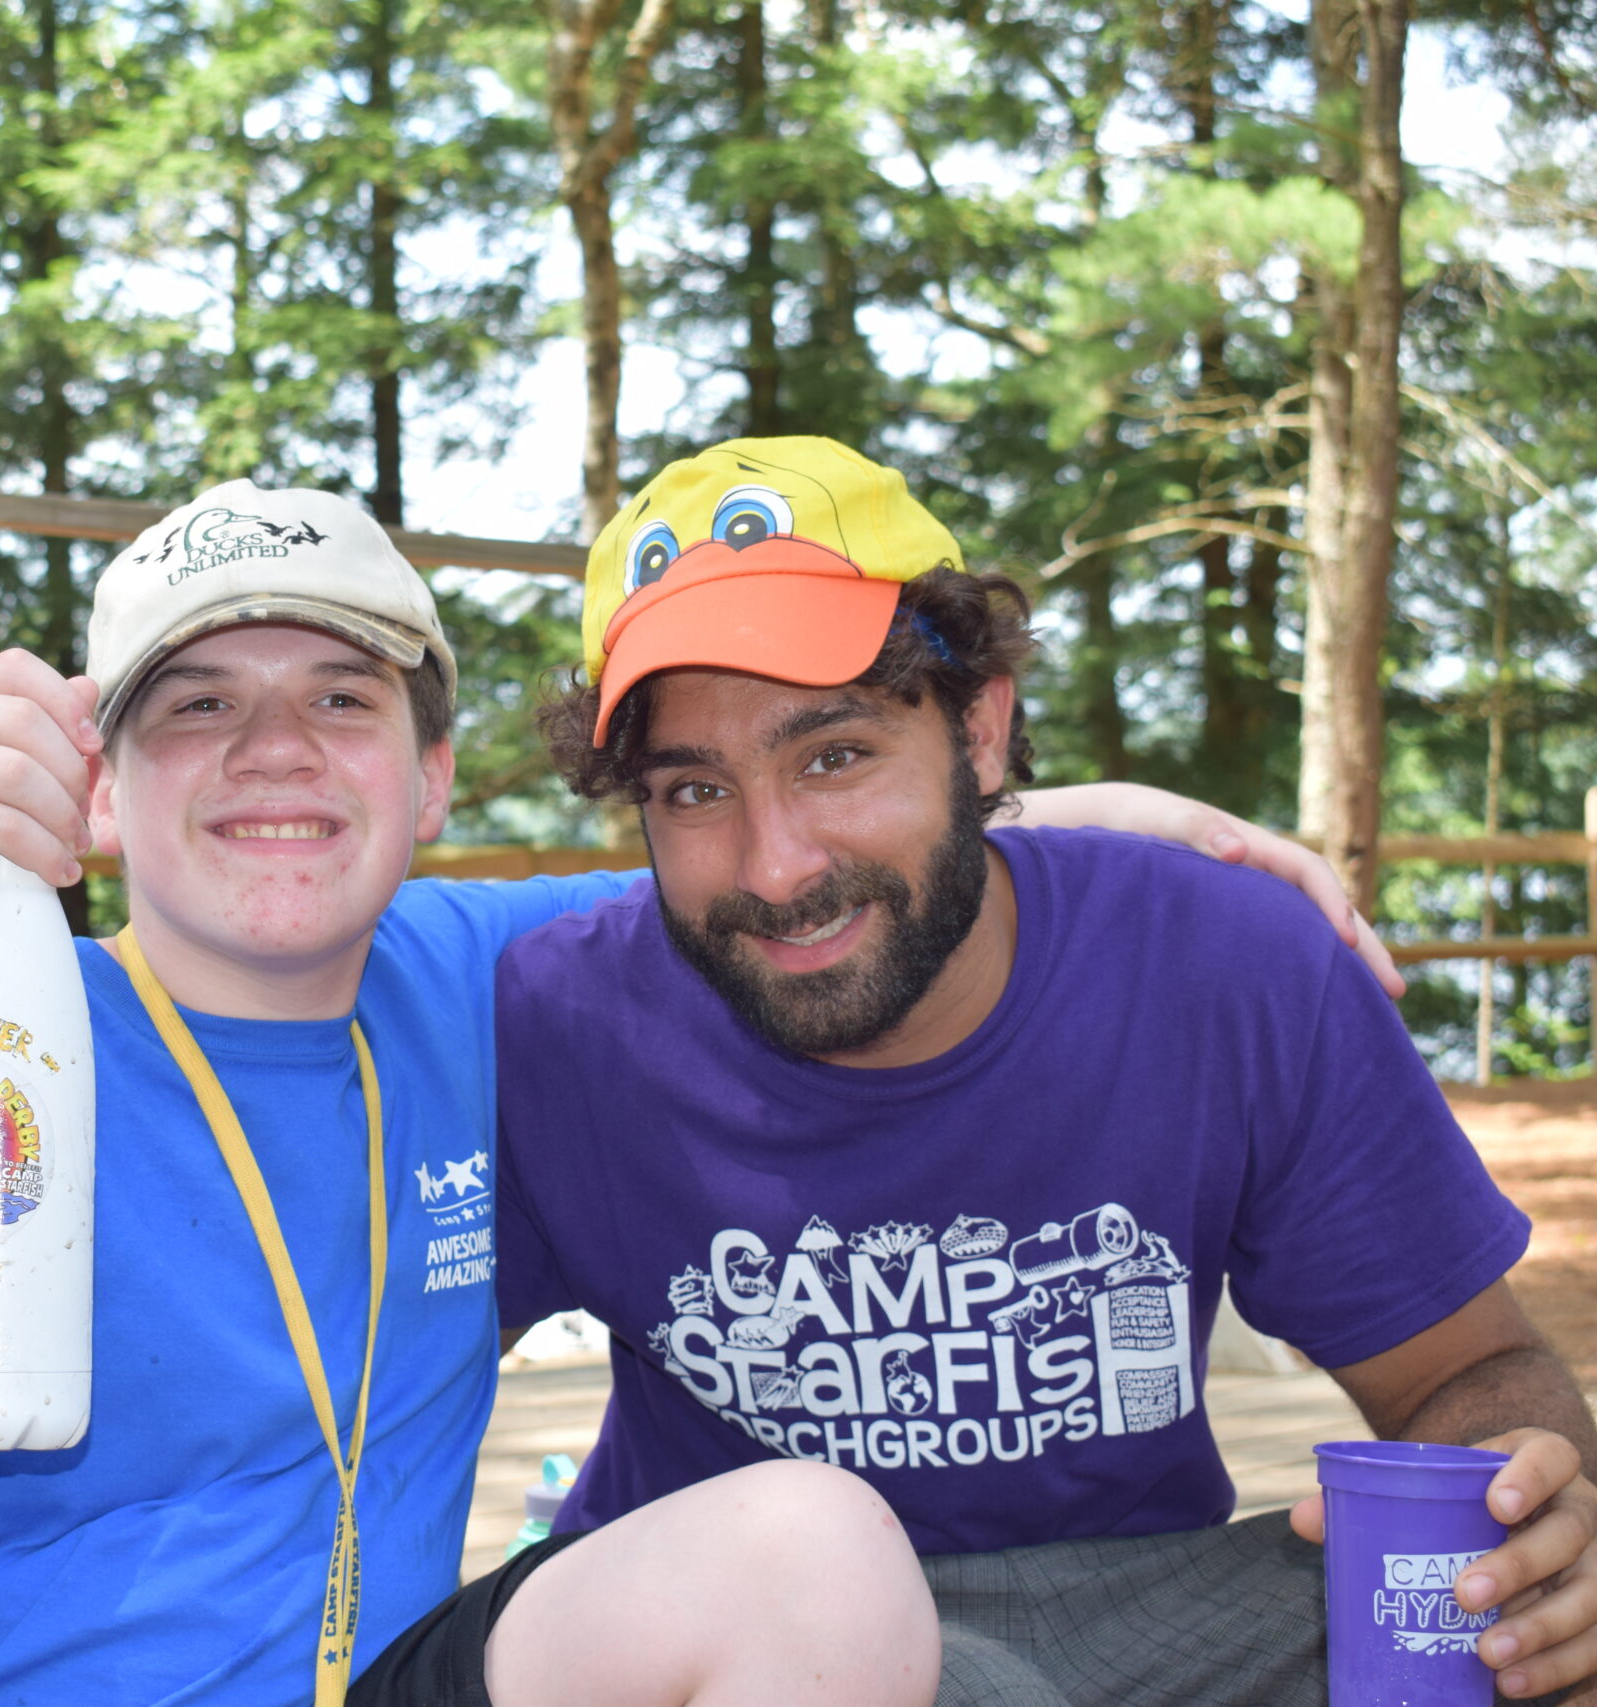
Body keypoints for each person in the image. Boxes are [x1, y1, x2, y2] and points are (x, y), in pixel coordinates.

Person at [0, 477, 1376, 1706]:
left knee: (810, 1549)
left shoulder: (487, 987)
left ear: (432, 780)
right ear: (98, 790)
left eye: (343, 698)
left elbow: (783, 870)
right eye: (196, 701)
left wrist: (1083, 824)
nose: (274, 746)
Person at [486, 435, 1597, 1707]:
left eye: (834, 756)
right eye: (692, 791)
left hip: (1136, 1619)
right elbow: (358, 1415)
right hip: (727, 1645)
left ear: (981, 734)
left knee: (1448, 1634)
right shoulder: (551, 1023)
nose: (775, 867)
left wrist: (1537, 1524)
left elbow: (1463, 1372)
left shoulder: (1227, 968)